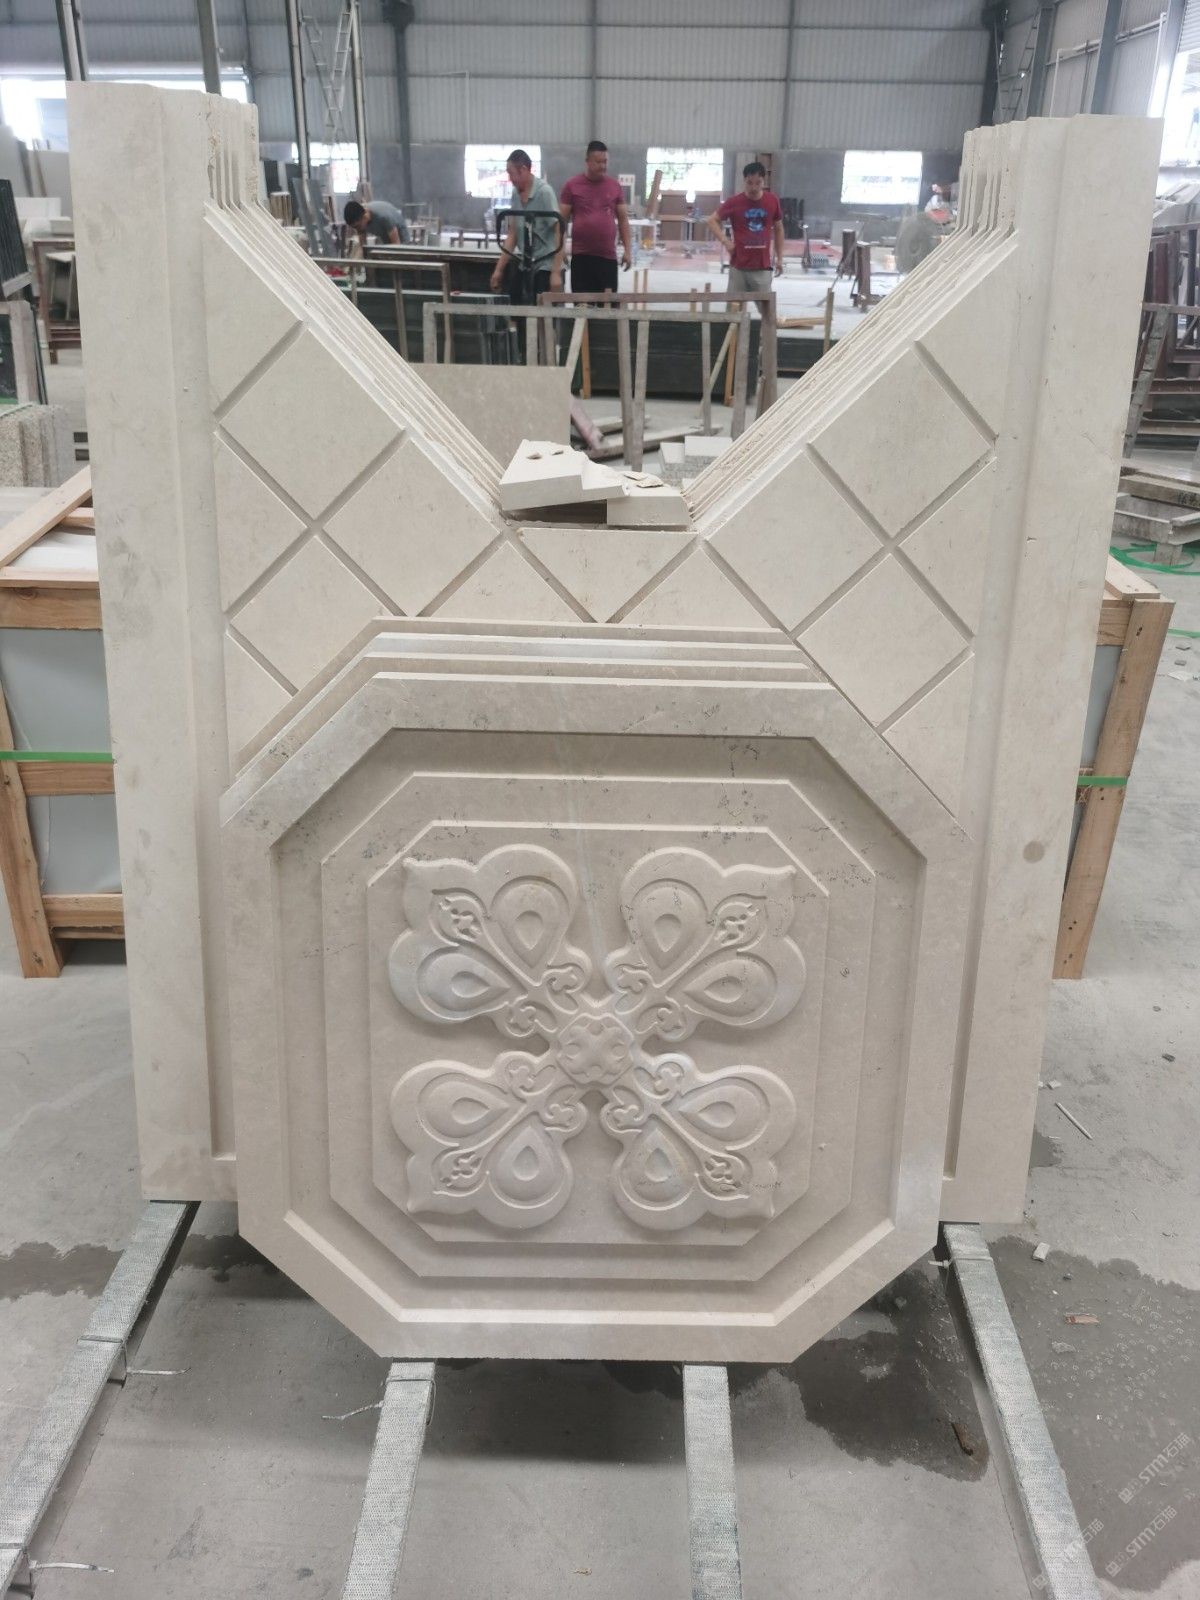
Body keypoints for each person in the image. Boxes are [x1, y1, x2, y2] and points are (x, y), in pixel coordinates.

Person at [489, 149, 563, 303]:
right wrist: (498, 270)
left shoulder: (544, 193)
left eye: (511, 173)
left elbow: (559, 230)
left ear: (523, 170)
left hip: (546, 263)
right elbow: (513, 234)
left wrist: (555, 273)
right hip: (527, 262)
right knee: (515, 295)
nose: (510, 178)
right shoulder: (515, 194)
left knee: (540, 304)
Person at [559, 141, 632, 296]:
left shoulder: (614, 186)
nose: (603, 166)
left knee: (607, 307)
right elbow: (561, 221)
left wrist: (628, 250)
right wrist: (561, 249)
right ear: (587, 161)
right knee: (581, 306)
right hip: (581, 258)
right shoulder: (572, 186)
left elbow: (623, 220)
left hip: (607, 258)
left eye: (605, 161)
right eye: (598, 162)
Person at [706, 162, 785, 295]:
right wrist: (726, 242)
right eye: (749, 183)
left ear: (764, 182)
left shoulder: (772, 201)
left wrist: (780, 258)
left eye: (758, 183)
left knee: (766, 307)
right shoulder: (734, 202)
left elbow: (779, 229)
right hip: (738, 267)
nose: (753, 187)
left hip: (762, 267)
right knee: (734, 307)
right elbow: (711, 220)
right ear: (744, 181)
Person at [343, 198, 409, 246]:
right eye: (355, 227)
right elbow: (363, 247)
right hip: (385, 236)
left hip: (400, 236)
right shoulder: (360, 221)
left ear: (364, 217)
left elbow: (396, 244)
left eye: (358, 226)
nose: (357, 230)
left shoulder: (384, 217)